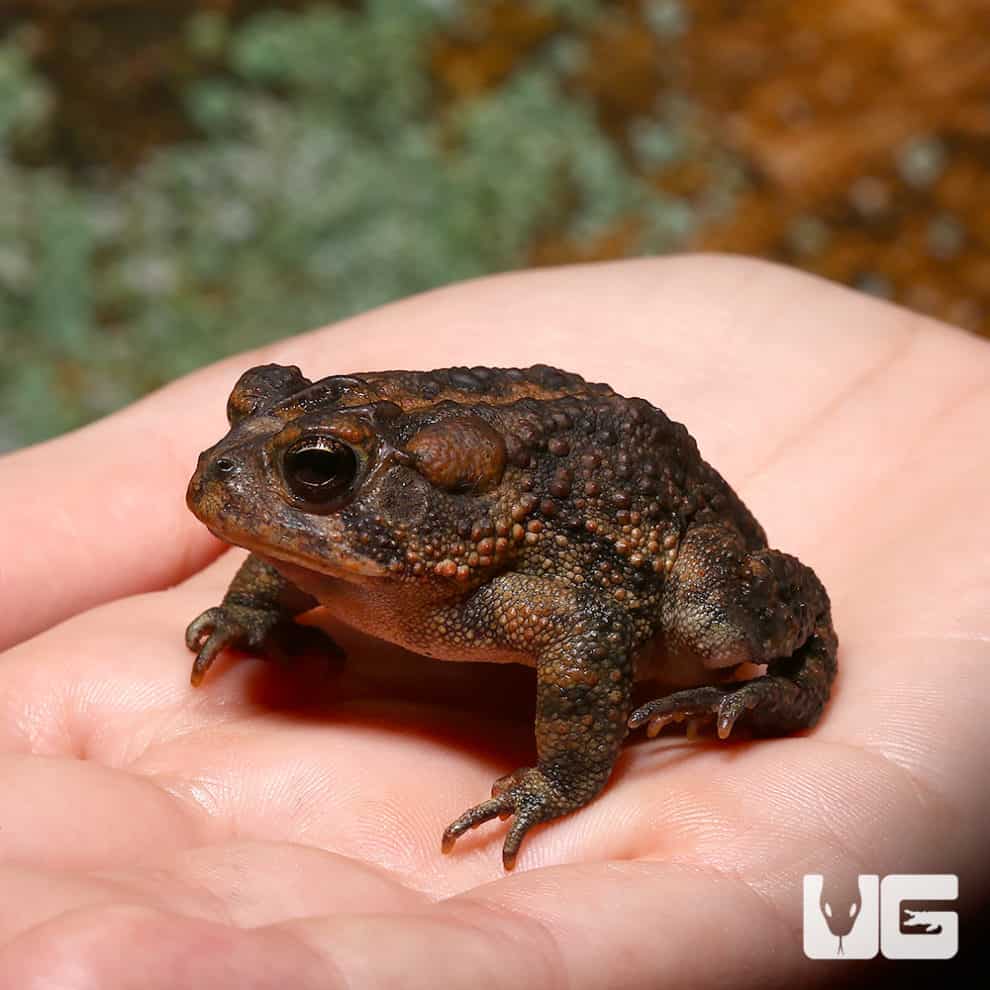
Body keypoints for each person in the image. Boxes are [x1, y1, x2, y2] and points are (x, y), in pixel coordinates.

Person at [0, 255, 985, 986]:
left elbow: (591, 624)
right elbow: (299, 546)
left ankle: (799, 665)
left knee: (719, 617)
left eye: (315, 476)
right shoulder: (373, 542)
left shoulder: (501, 586)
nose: (225, 471)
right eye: (249, 425)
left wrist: (563, 775)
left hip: (649, 520)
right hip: (496, 478)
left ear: (398, 499)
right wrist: (252, 611)